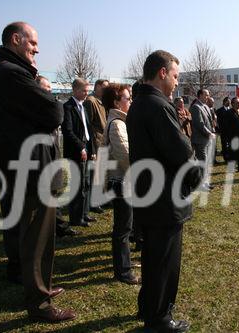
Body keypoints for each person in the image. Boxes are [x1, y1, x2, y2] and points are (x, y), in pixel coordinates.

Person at [0, 21, 75, 322]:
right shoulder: (10, 74)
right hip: (33, 171)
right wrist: (51, 103)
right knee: (37, 239)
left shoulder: (9, 72)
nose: (37, 49)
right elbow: (54, 112)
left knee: (37, 236)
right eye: (33, 43)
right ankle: (40, 303)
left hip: (32, 168)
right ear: (16, 39)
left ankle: (42, 289)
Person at [126, 50, 202, 332]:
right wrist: (195, 177)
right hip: (165, 196)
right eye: (175, 75)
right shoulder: (157, 105)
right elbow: (181, 150)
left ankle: (149, 307)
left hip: (150, 194)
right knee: (165, 261)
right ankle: (159, 319)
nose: (176, 81)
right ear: (162, 73)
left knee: (153, 257)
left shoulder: (140, 103)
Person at [101, 83, 141, 284]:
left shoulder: (119, 122)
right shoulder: (117, 124)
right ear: (116, 102)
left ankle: (124, 263)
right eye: (127, 98)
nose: (131, 101)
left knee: (126, 226)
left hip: (122, 181)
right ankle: (123, 271)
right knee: (123, 229)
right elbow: (125, 157)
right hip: (122, 181)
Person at [36, 75, 79, 238]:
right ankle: (55, 228)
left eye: (50, 87)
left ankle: (58, 226)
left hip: (52, 157)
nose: (49, 90)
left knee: (53, 195)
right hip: (40, 160)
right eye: (46, 87)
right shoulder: (37, 108)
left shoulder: (48, 106)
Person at [62, 78, 97, 227]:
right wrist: (81, 147)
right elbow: (68, 131)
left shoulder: (84, 107)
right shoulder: (68, 107)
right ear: (75, 90)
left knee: (87, 183)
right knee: (78, 185)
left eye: (87, 90)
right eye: (84, 90)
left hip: (87, 149)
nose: (86, 93)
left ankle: (84, 213)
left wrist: (92, 149)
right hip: (75, 152)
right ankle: (76, 218)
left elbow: (89, 130)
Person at [84, 79, 109, 213]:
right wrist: (92, 146)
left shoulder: (101, 101)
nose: (106, 90)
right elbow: (88, 125)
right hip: (96, 142)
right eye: (104, 87)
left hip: (102, 141)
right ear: (97, 87)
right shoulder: (91, 101)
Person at [190, 89, 215, 191]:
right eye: (206, 95)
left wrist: (212, 130)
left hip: (207, 139)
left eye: (208, 95)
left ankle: (205, 182)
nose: (207, 97)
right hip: (200, 140)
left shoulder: (205, 107)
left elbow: (209, 121)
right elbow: (199, 124)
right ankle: (201, 184)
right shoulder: (196, 107)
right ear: (200, 95)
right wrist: (209, 133)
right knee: (202, 162)